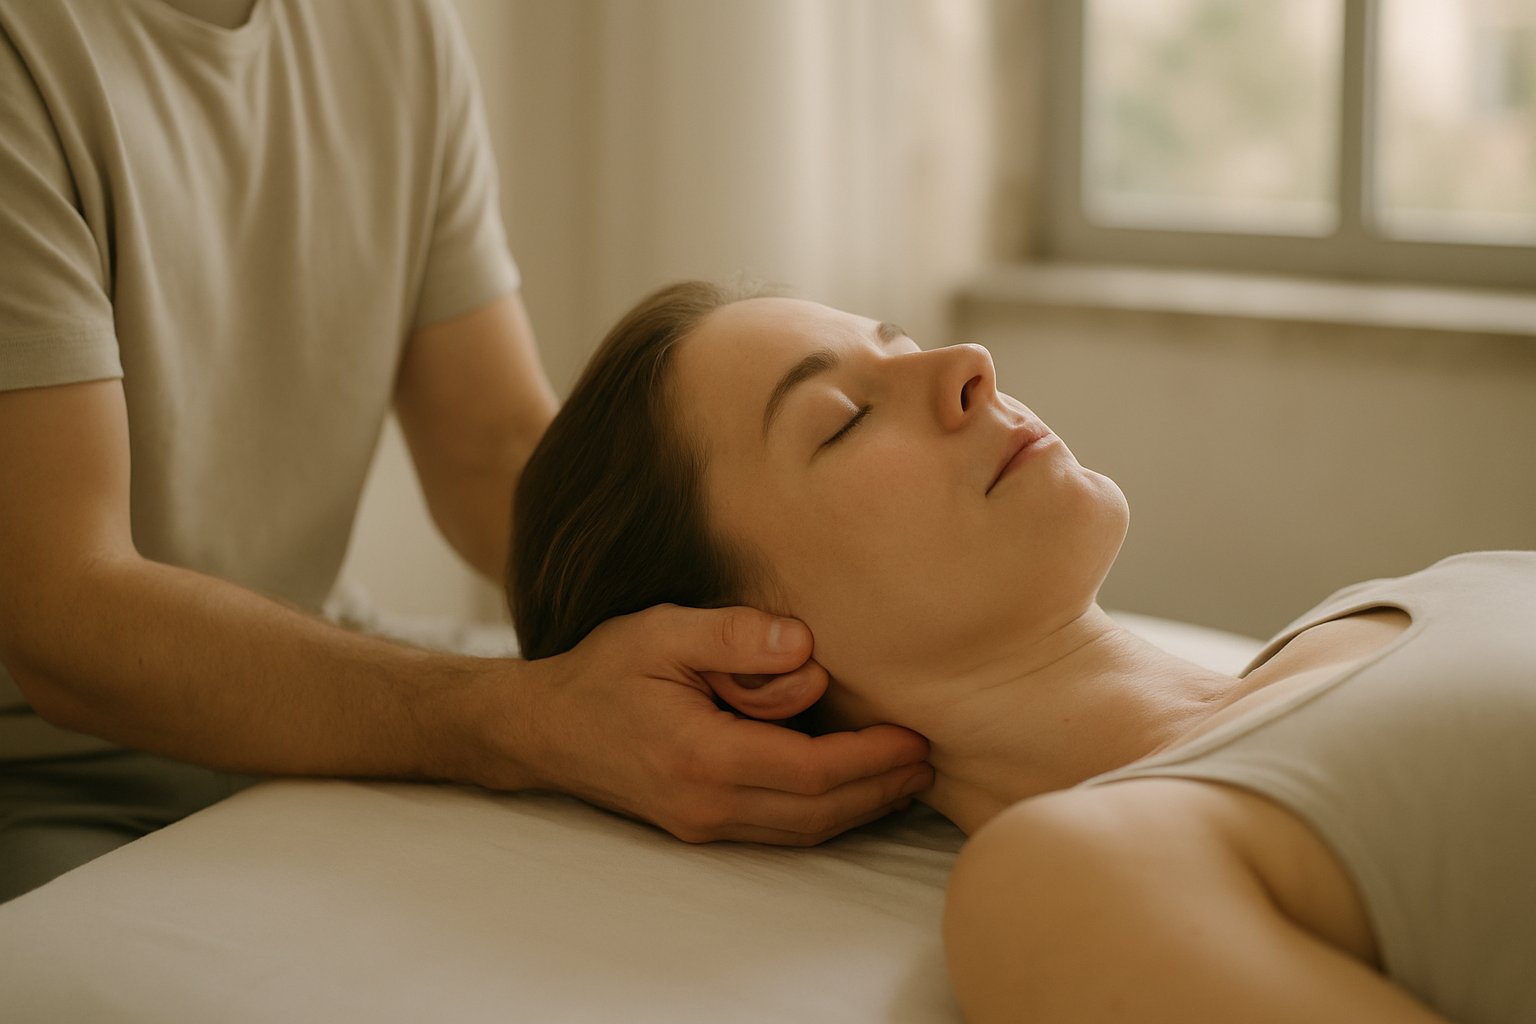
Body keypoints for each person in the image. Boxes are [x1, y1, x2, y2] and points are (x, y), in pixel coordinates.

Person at [0, 0, 932, 902]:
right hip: (59, 778)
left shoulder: (391, 22)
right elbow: (65, 615)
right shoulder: (25, 53)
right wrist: (520, 721)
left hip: (313, 704)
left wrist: (798, 643)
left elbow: (495, 451)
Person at [508, 279, 1535, 1024]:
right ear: (757, 670)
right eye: (846, 418)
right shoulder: (1074, 882)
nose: (967, 368)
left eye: (902, 341)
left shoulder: (1374, 608)